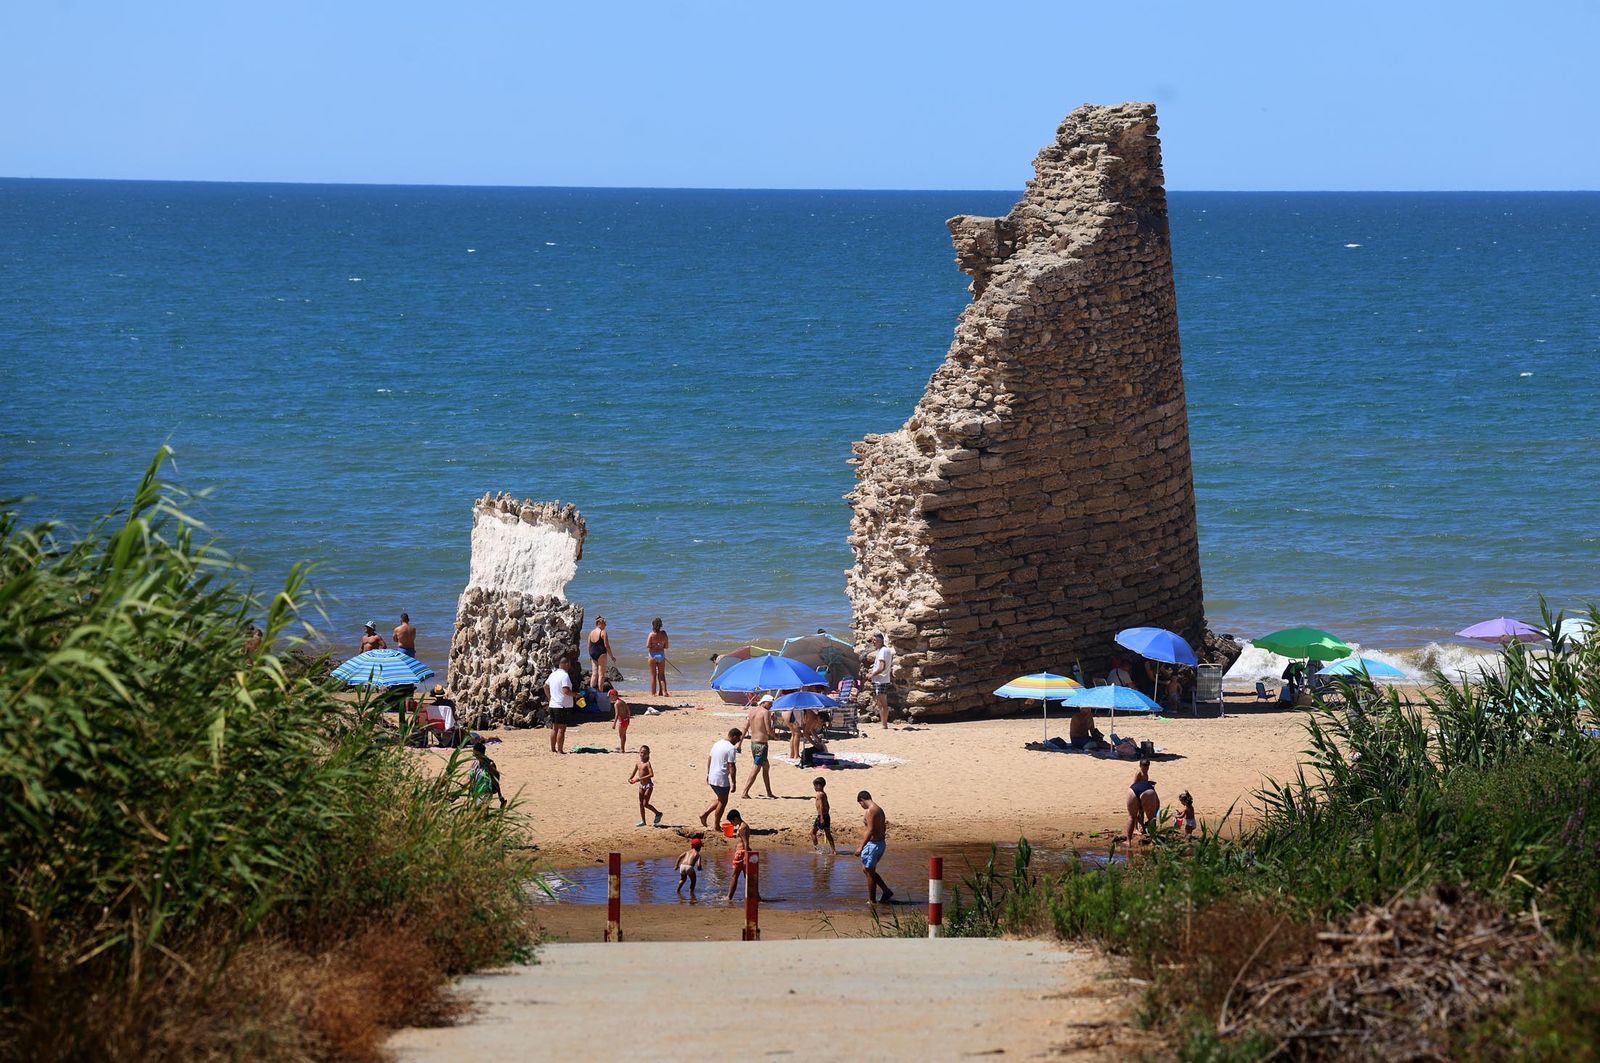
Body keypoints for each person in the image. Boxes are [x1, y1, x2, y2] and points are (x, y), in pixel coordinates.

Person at [700, 728, 741, 831]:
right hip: (721, 778)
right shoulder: (731, 748)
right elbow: (732, 766)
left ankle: (705, 814)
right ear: (734, 736)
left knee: (720, 799)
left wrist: (708, 773)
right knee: (723, 802)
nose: (738, 742)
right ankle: (716, 825)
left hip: (712, 776)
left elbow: (710, 758)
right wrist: (734, 783)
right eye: (738, 739)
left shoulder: (717, 743)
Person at [855, 790, 892, 903]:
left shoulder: (871, 810)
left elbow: (870, 830)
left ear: (862, 801)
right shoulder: (879, 809)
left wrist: (861, 847)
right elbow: (883, 827)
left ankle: (872, 901)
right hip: (879, 843)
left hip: (874, 845)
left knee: (869, 872)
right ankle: (886, 891)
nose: (861, 806)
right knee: (867, 870)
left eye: (860, 804)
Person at [740, 695, 777, 799]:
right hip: (761, 744)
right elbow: (768, 730)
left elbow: (745, 728)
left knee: (766, 767)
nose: (770, 706)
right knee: (756, 768)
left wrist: (740, 743)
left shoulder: (752, 712)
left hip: (753, 744)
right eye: (769, 703)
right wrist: (775, 737)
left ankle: (769, 792)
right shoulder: (765, 712)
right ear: (764, 702)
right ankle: (745, 792)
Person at [545, 651, 575, 754]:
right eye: (569, 664)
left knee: (554, 728)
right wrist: (576, 695)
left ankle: (553, 748)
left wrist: (550, 697)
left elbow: (545, 686)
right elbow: (566, 691)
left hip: (553, 704)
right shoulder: (564, 676)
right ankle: (560, 750)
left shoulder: (553, 675)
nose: (570, 666)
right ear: (565, 664)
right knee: (562, 729)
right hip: (562, 706)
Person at [1125, 758, 1161, 842]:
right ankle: (1136, 828)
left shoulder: (1146, 773)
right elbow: (1134, 783)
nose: (1146, 768)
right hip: (1137, 792)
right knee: (1135, 815)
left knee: (1140, 813)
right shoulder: (1139, 773)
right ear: (1140, 766)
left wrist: (1149, 783)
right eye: (1144, 767)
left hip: (1140, 792)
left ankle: (1142, 828)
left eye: (1147, 767)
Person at [628, 745, 662, 827]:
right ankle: (643, 821)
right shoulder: (638, 763)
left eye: (644, 753)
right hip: (641, 785)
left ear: (648, 754)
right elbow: (634, 772)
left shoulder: (647, 764)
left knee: (645, 804)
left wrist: (640, 779)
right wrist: (630, 779)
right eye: (641, 752)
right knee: (640, 803)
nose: (642, 754)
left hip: (648, 785)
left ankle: (658, 813)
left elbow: (651, 774)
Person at [866, 633, 895, 729]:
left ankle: (884, 724)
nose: (873, 642)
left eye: (874, 640)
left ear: (881, 640)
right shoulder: (883, 650)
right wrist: (873, 671)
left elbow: (882, 667)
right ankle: (883, 723)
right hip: (880, 680)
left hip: (881, 681)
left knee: (883, 703)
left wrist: (872, 674)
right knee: (880, 703)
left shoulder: (883, 651)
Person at [725, 809, 754, 902]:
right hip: (742, 853)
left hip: (741, 854)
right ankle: (755, 897)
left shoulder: (742, 828)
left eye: (731, 821)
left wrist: (745, 857)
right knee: (748, 877)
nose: (731, 823)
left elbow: (745, 843)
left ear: (736, 818)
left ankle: (729, 898)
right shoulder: (742, 826)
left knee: (734, 876)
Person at [469, 740, 506, 808]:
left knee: (482, 813)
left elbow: (495, 780)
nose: (473, 755)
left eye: (475, 754)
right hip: (475, 793)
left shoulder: (490, 764)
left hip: (485, 793)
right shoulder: (474, 764)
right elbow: (469, 779)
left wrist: (500, 796)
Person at [587, 616, 614, 688]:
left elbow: (589, 646)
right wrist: (612, 656)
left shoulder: (591, 632)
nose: (606, 625)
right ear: (599, 623)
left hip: (592, 653)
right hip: (601, 654)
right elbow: (607, 645)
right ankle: (600, 692)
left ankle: (592, 691)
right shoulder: (603, 632)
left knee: (594, 674)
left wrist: (590, 655)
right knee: (601, 675)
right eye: (604, 623)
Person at [646, 617, 670, 697]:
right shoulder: (664, 634)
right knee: (662, 674)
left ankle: (653, 693)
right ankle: (664, 692)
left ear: (653, 625)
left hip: (652, 655)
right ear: (661, 625)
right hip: (661, 655)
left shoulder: (651, 634)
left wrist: (654, 645)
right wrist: (660, 645)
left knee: (653, 675)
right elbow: (666, 646)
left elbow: (648, 645)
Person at [810, 776, 835, 852]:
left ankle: (817, 849)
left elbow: (820, 806)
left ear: (818, 786)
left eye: (814, 786)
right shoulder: (824, 794)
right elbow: (828, 806)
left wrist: (821, 817)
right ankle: (833, 850)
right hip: (826, 815)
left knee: (812, 833)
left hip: (822, 816)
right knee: (828, 834)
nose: (814, 787)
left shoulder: (819, 794)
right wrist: (825, 814)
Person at [609, 686, 632, 753]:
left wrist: (614, 723)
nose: (610, 698)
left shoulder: (616, 704)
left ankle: (622, 749)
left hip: (622, 721)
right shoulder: (622, 701)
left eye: (610, 697)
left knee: (621, 735)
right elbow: (628, 709)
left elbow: (617, 714)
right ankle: (622, 748)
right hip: (626, 720)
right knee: (623, 735)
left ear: (613, 696)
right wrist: (628, 717)